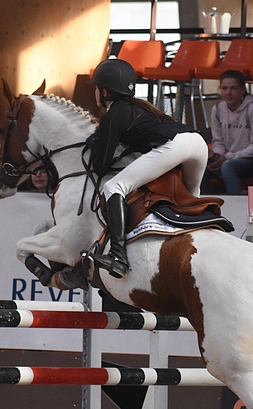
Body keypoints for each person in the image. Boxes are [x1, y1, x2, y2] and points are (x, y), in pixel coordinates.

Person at [86, 59, 208, 278]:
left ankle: (117, 255)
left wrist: (95, 141)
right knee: (189, 199)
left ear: (103, 92)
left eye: (96, 88)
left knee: (114, 187)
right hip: (197, 144)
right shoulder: (139, 106)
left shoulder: (112, 116)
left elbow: (101, 167)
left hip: (176, 146)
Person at [205, 69, 253, 195]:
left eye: (233, 88)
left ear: (242, 90)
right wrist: (217, 156)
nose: (228, 93)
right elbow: (218, 141)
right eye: (224, 88)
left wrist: (227, 157)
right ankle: (204, 205)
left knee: (227, 167)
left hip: (252, 159)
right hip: (229, 156)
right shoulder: (217, 109)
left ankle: (237, 204)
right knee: (201, 167)